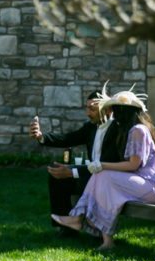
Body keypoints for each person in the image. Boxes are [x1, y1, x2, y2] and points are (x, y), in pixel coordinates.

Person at [52, 89, 155, 251]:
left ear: (126, 112)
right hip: (138, 184)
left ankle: (78, 218)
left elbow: (134, 165)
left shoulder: (138, 130)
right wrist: (101, 167)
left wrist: (102, 165)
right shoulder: (129, 130)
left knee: (103, 175)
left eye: (117, 109)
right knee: (103, 179)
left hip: (151, 187)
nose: (114, 113)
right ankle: (107, 241)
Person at [29, 88, 123, 230]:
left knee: (68, 173)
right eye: (87, 108)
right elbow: (68, 139)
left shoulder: (117, 129)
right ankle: (64, 227)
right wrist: (41, 136)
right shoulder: (90, 128)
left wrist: (73, 172)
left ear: (108, 109)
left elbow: (107, 163)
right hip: (92, 173)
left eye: (92, 109)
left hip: (108, 177)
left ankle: (79, 223)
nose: (88, 113)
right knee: (57, 175)